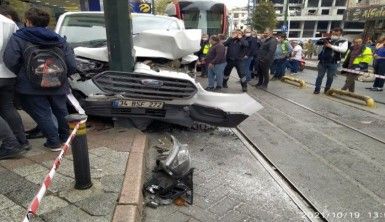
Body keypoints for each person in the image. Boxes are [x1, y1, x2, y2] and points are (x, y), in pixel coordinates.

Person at [4, 8, 77, 151]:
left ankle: (53, 142)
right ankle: (65, 138)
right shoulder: (58, 38)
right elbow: (71, 64)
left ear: (28, 21)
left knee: (41, 112)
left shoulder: (19, 37)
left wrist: (23, 74)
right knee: (61, 110)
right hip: (58, 81)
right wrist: (62, 75)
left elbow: (10, 60)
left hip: (30, 84)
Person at [0, 6, 30, 151]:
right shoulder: (9, 22)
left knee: (6, 107)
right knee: (7, 107)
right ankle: (22, 140)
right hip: (8, 72)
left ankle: (10, 143)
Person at [314, 27, 348, 94]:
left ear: (340, 33)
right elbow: (317, 45)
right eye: (334, 33)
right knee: (320, 76)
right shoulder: (326, 39)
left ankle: (327, 90)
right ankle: (317, 89)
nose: (334, 34)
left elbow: (343, 50)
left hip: (333, 62)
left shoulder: (343, 41)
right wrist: (322, 43)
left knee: (330, 77)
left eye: (337, 33)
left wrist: (331, 46)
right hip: (322, 61)